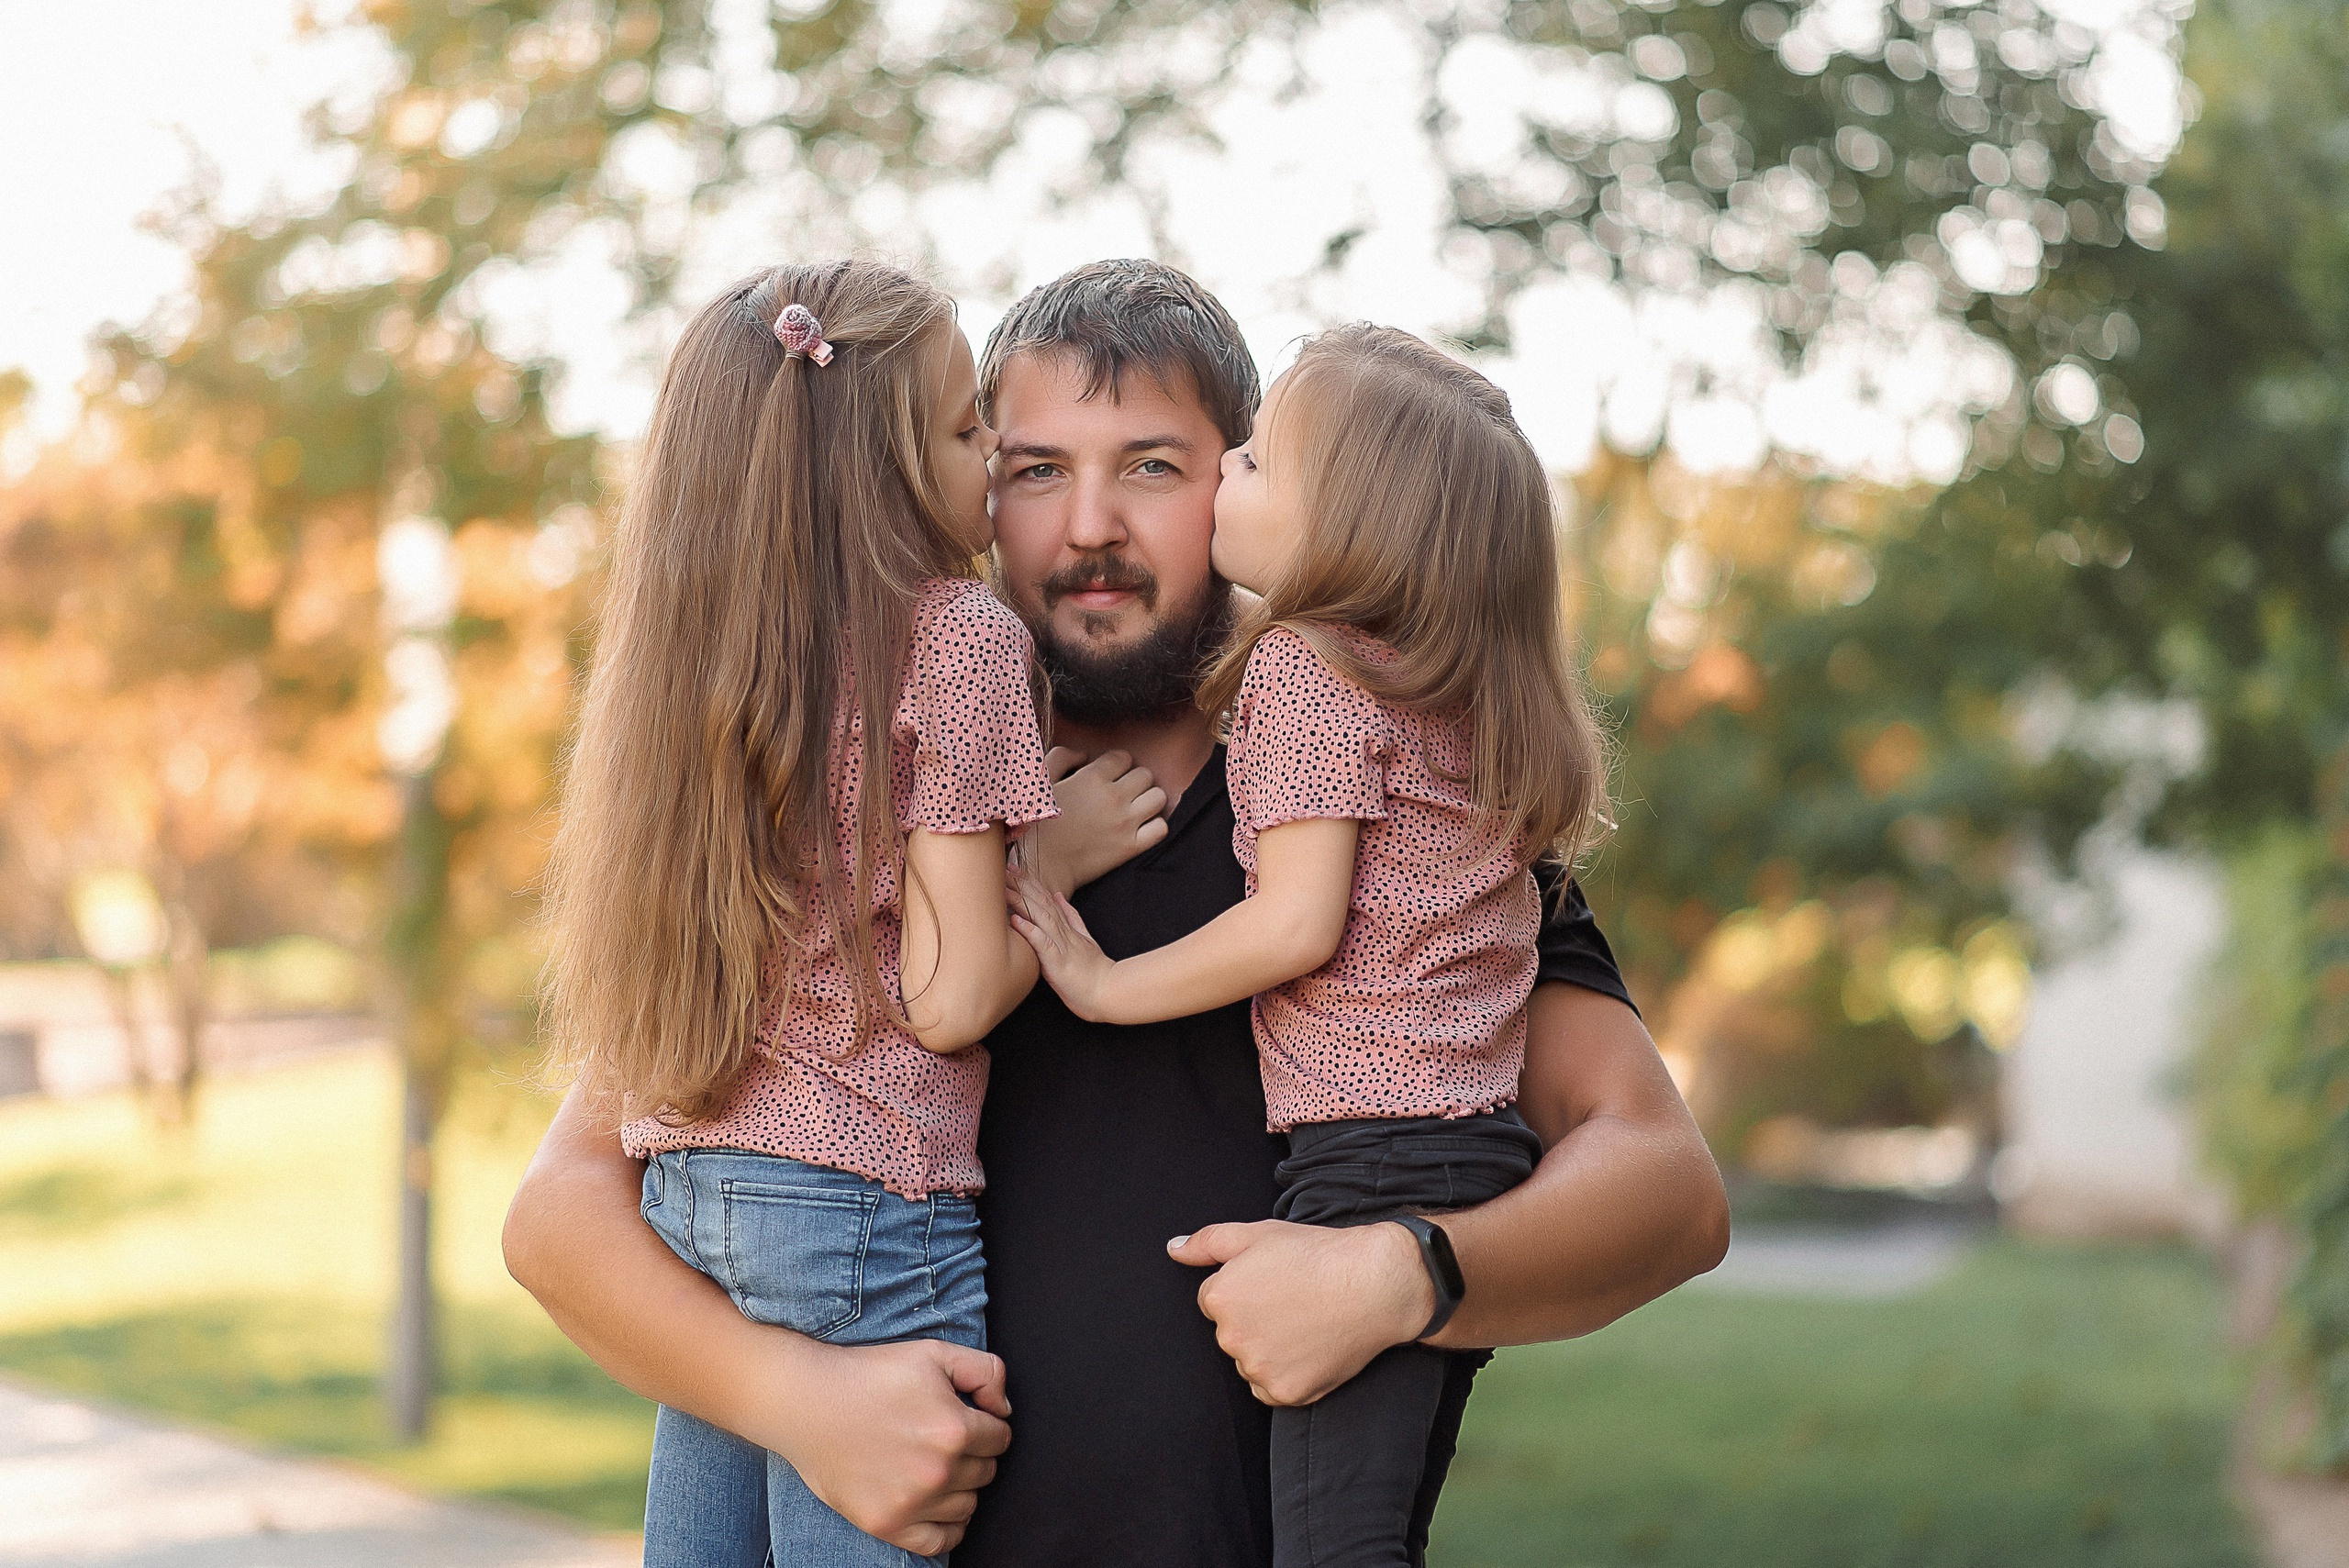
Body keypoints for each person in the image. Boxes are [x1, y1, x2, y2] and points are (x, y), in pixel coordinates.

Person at [503, 259, 1731, 1568]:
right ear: (973, 486)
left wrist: (1406, 1272)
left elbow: (1666, 1190)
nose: (1089, 526)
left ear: (1252, 481)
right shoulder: (855, 808)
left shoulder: (1414, 804)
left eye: (1152, 466)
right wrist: (798, 1405)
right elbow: (563, 1212)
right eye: (1033, 468)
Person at [1010, 321, 1607, 1568]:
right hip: (1456, 1141)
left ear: (1351, 521)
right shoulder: (1449, 723)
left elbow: (1294, 921)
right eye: (1035, 467)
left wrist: (1104, 984)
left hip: (1370, 1164)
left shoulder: (1300, 674)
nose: (1095, 523)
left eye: (1207, 463)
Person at [536, 259, 1057, 1566]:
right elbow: (945, 995)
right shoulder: (962, 638)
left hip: (696, 1195)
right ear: (876, 468)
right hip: (869, 1202)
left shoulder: (712, 658)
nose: (991, 449)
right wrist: (1058, 872)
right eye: (960, 426)